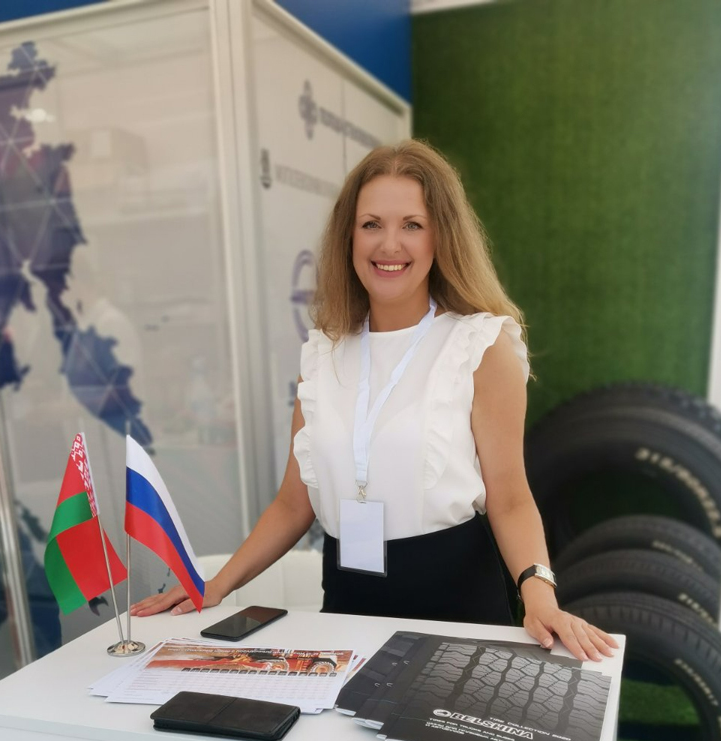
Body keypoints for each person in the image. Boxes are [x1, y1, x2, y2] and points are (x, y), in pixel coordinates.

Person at [132, 139, 616, 663]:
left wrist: (539, 595)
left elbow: (510, 497)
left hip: (456, 608)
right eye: (371, 224)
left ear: (441, 235)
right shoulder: (323, 353)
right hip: (347, 608)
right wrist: (214, 584)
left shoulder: (479, 344)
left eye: (412, 224)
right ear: (349, 236)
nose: (390, 244)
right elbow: (293, 505)